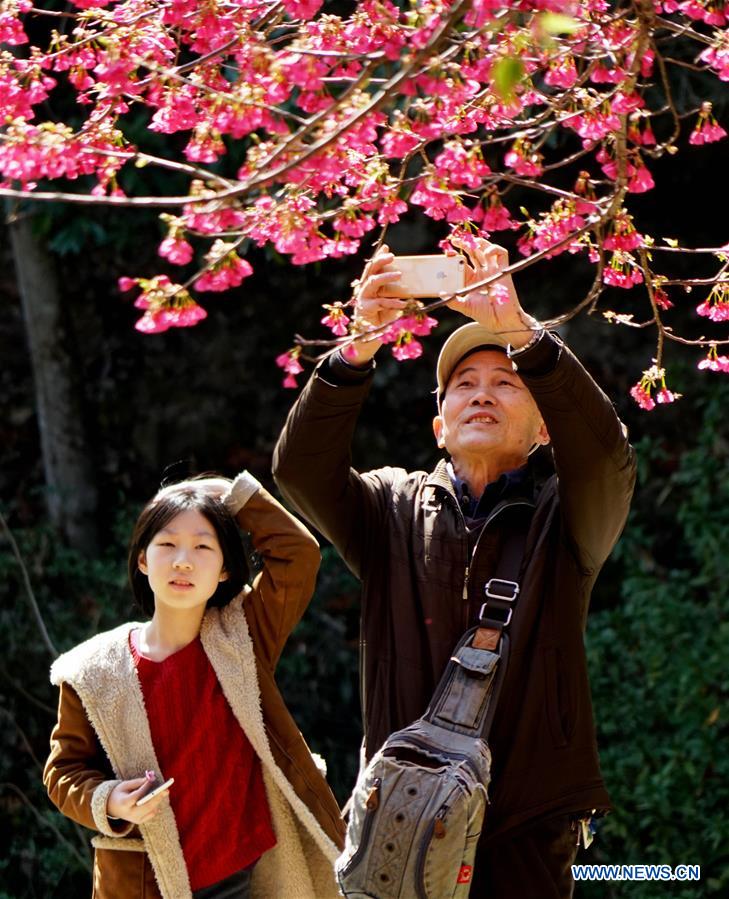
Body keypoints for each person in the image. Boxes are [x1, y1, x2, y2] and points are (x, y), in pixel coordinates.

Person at [272, 239, 637, 898]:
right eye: (463, 384)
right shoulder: (388, 507)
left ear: (544, 425)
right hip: (401, 823)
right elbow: (298, 469)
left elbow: (606, 455)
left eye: (506, 383)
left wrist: (519, 332)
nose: (481, 395)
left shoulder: (569, 515)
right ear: (437, 425)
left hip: (525, 824)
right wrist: (356, 348)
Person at [43, 471, 345, 899]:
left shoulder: (243, 636)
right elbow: (62, 772)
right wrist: (110, 801)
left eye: (203, 546)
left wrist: (233, 493)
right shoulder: (93, 670)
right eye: (167, 544)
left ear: (224, 571)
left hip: (244, 874)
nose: (183, 560)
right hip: (145, 881)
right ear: (143, 560)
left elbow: (298, 555)